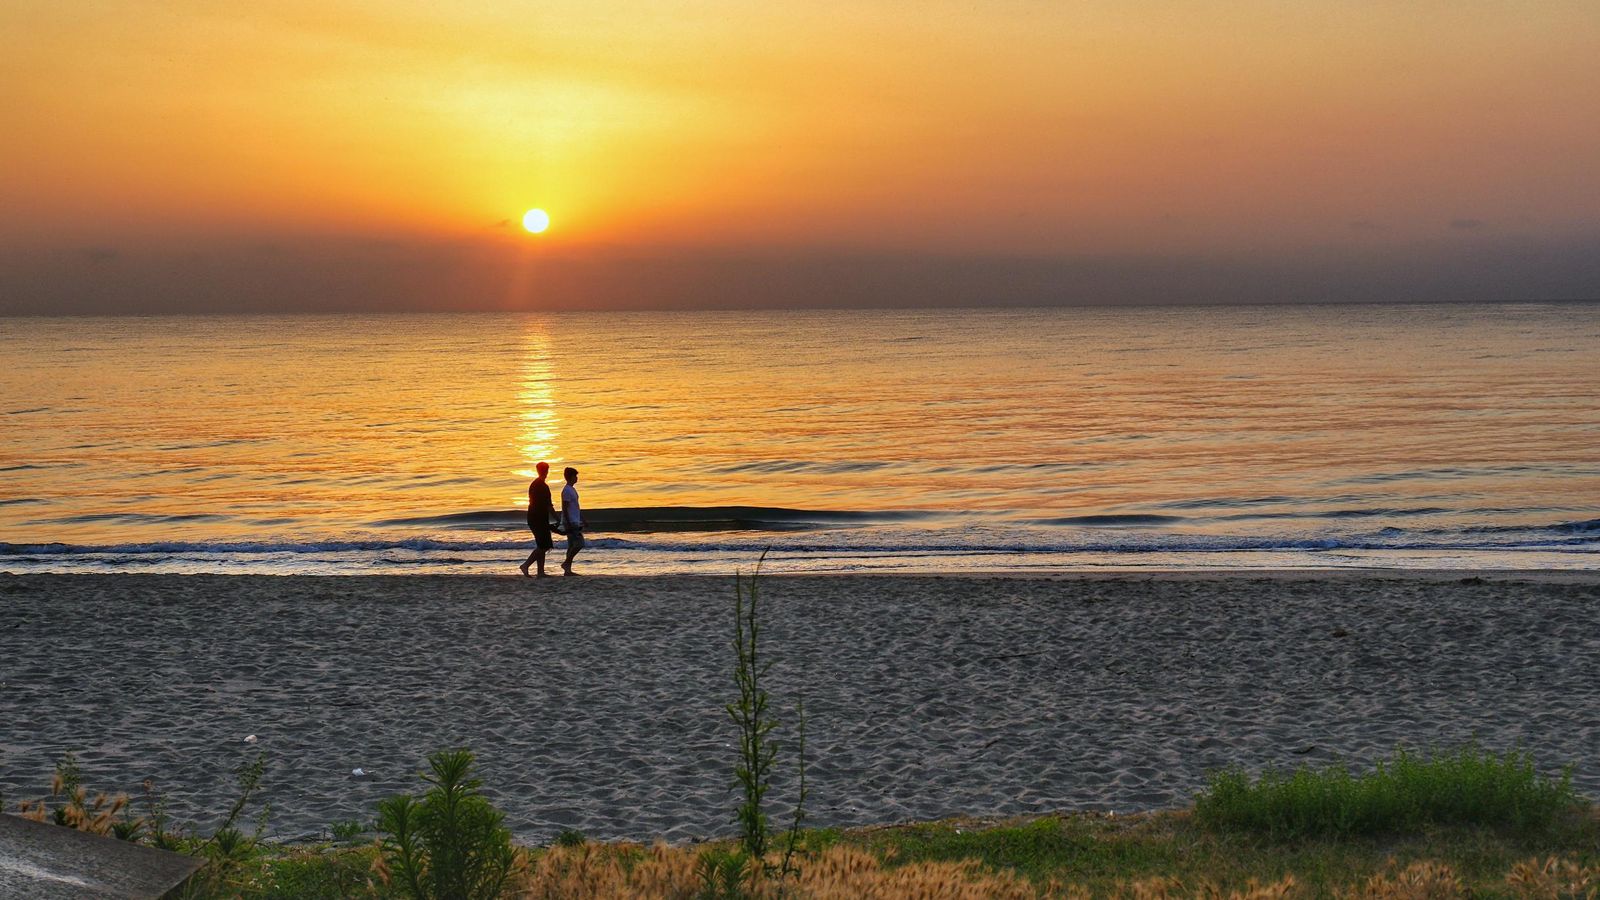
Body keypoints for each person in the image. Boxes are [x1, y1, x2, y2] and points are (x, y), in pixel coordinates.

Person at [519, 462, 554, 577]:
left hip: (534, 518)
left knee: (542, 545)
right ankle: (526, 565)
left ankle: (540, 572)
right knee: (544, 546)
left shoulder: (534, 484)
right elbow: (549, 506)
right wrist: (558, 518)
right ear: (547, 471)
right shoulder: (543, 486)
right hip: (539, 519)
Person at [559, 466, 586, 576]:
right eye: (575, 476)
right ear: (570, 477)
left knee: (571, 545)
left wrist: (582, 519)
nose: (577, 478)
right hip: (570, 521)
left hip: (575, 520)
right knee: (579, 543)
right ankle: (566, 563)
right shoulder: (566, 490)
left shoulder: (572, 489)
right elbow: (564, 507)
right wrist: (568, 522)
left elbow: (576, 507)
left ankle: (567, 570)